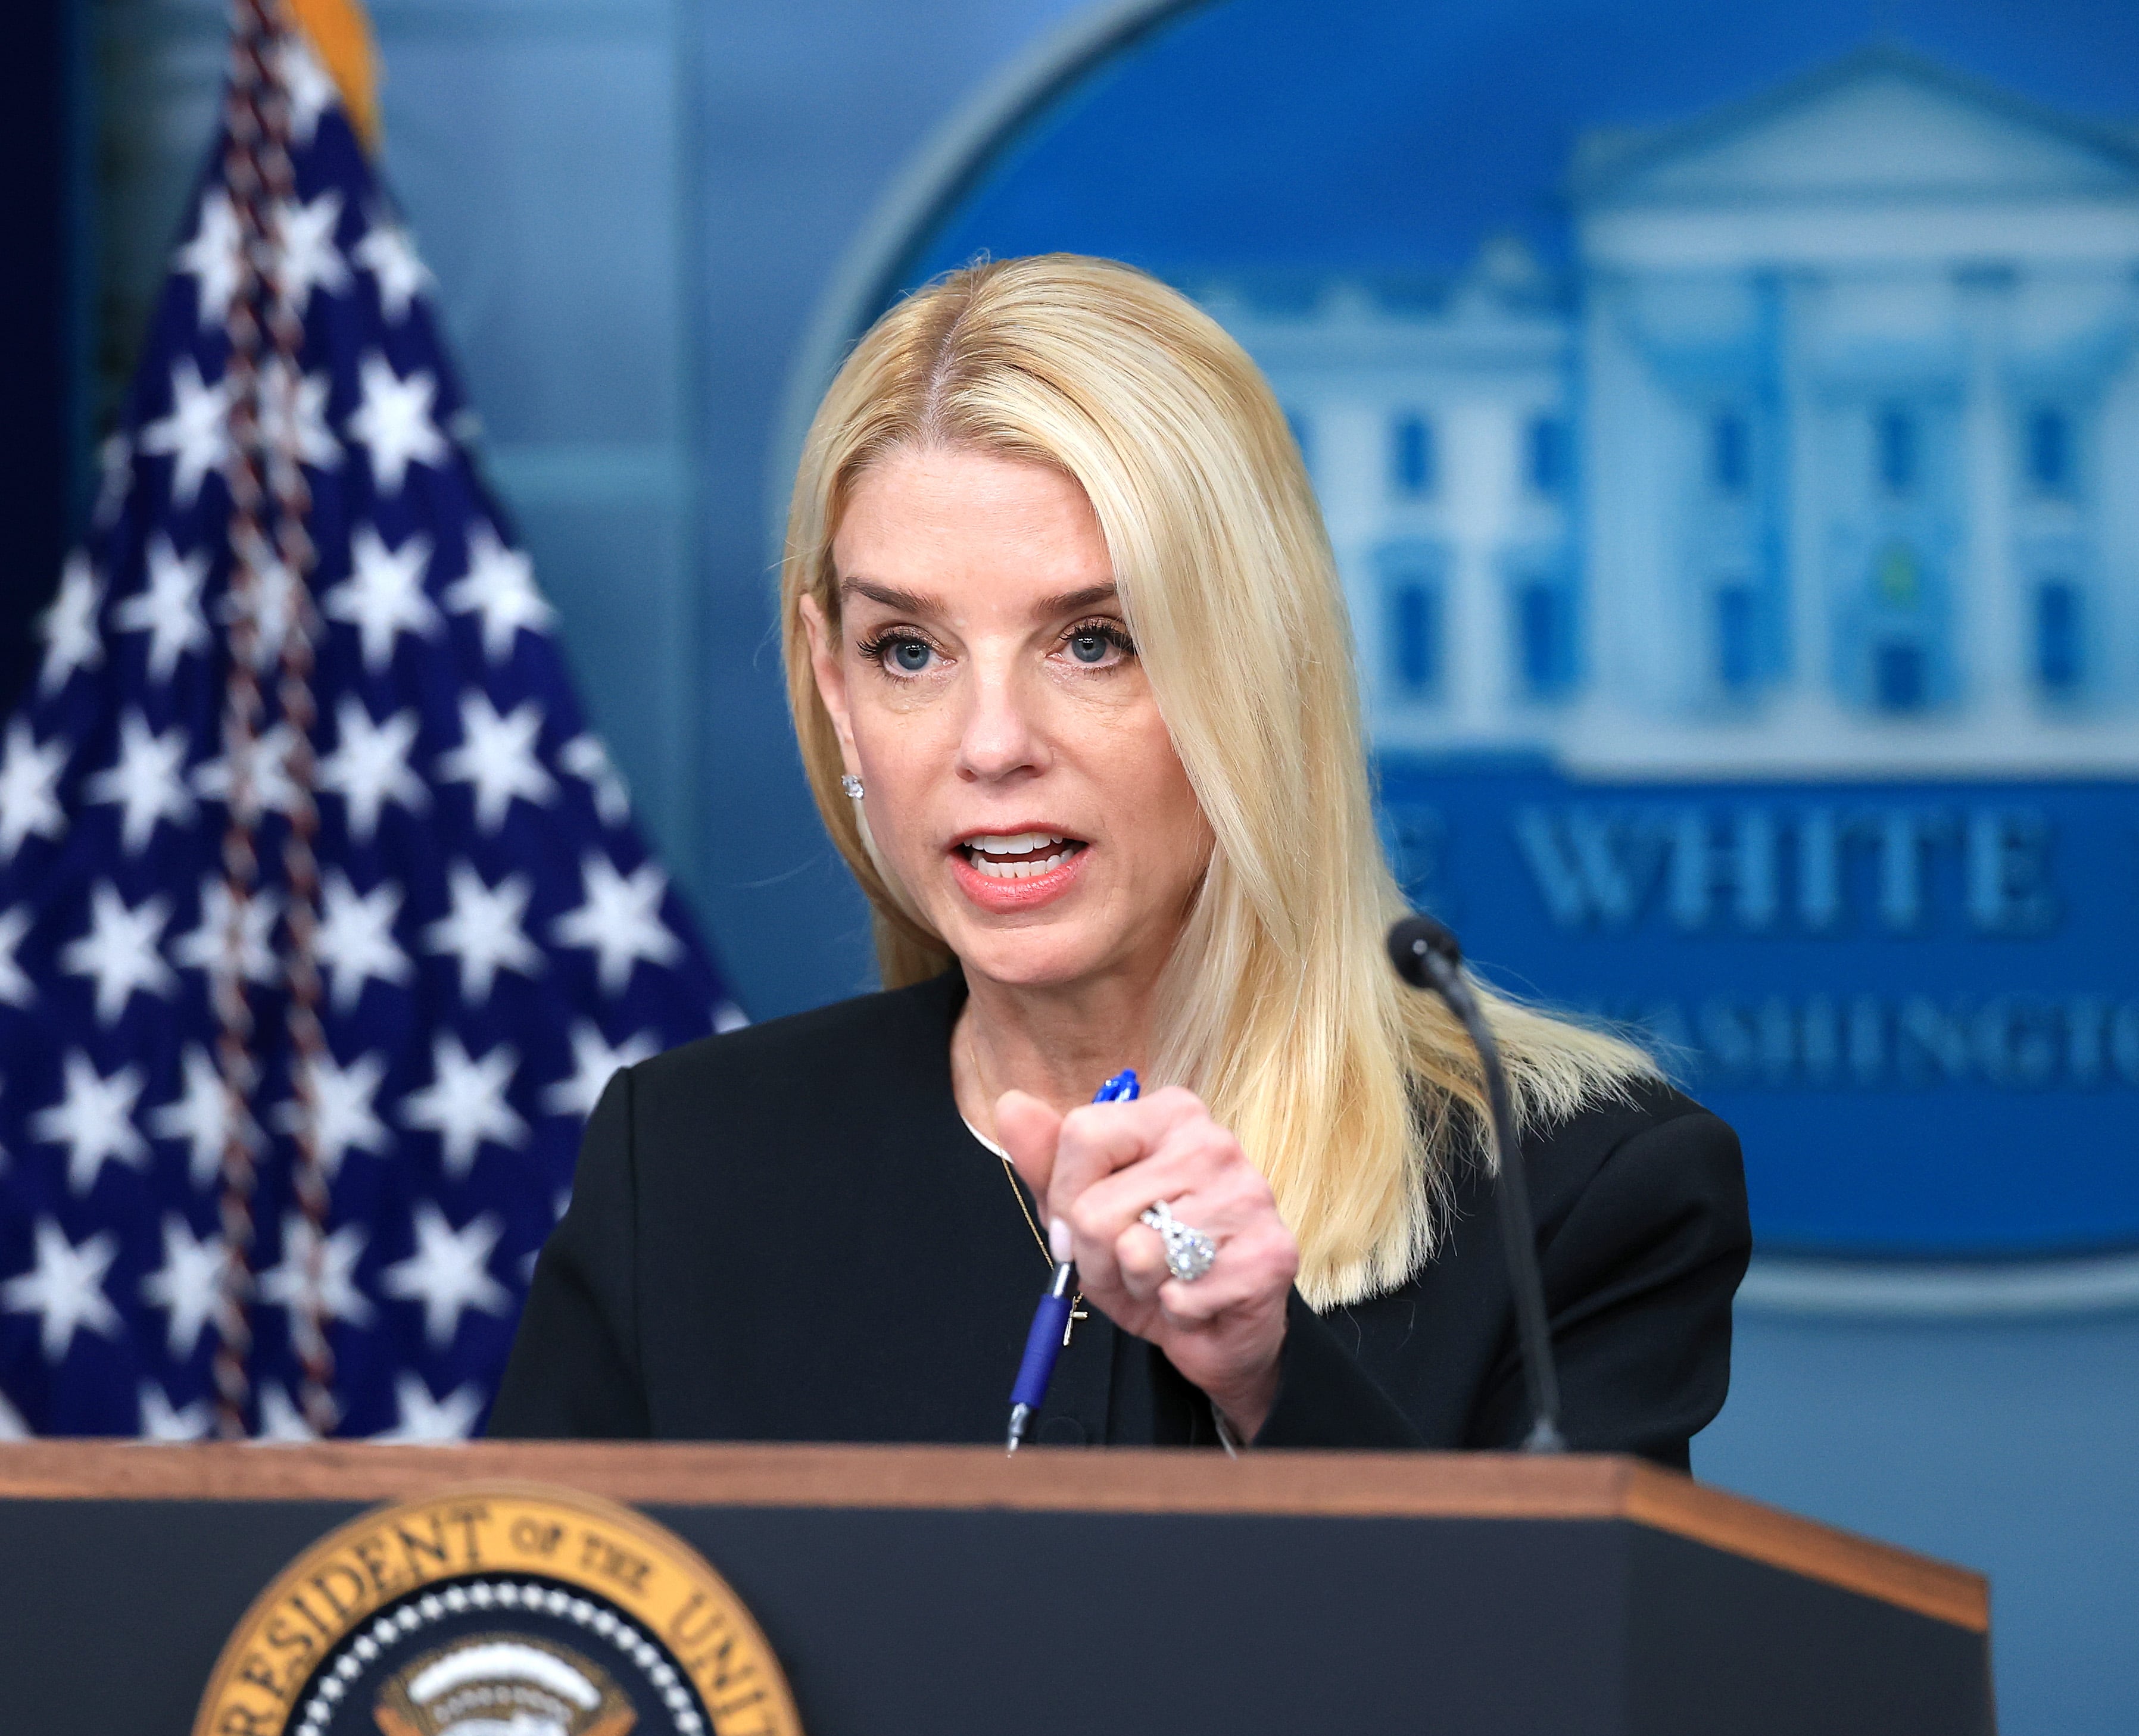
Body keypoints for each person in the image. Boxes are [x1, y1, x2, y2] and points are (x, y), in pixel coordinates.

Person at [489, 255, 1750, 1463]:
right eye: (909, 651)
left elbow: (1549, 1676)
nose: (991, 746)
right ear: (833, 681)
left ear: (1252, 671)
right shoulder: (694, 1160)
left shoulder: (1575, 1196)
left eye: (1093, 641)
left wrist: (1268, 1376)